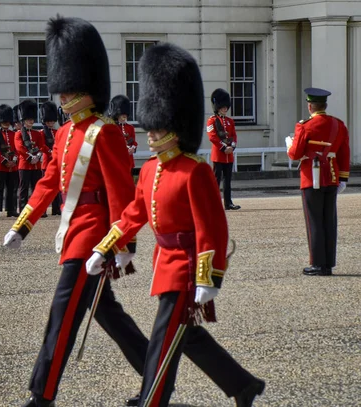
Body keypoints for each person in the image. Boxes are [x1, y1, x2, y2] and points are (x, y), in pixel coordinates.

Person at [86, 43, 265, 407]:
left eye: (157, 127)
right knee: (187, 337)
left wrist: (209, 276)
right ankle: (243, 384)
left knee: (164, 336)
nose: (148, 133)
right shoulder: (151, 168)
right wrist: (106, 248)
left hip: (186, 267)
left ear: (175, 127)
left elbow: (212, 228)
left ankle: (153, 399)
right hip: (164, 262)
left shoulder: (195, 170)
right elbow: (134, 213)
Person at [3, 16, 149, 407]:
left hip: (92, 238)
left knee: (62, 316)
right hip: (72, 233)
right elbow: (50, 182)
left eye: (67, 89)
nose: (61, 96)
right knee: (111, 317)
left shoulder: (106, 132)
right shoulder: (66, 133)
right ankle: (158, 379)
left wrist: (122, 243)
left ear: (85, 88)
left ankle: (42, 394)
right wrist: (24, 223)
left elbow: (121, 191)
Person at [286, 88, 350, 276]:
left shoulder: (305, 126)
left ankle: (317, 264)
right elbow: (344, 153)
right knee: (329, 221)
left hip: (311, 178)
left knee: (313, 221)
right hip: (331, 176)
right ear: (325, 105)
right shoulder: (338, 125)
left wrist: (290, 146)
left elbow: (296, 153)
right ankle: (328, 264)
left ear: (310, 106)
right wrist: (343, 178)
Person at [207, 88, 240, 210]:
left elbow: (234, 136)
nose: (225, 109)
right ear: (218, 107)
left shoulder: (230, 121)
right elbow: (212, 137)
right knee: (216, 181)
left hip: (229, 155)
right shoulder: (212, 121)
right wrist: (223, 148)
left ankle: (228, 203)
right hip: (219, 154)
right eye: (222, 107)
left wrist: (232, 147)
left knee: (227, 182)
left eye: (226, 107)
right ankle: (213, 203)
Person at [14, 98, 45, 212]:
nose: (31, 121)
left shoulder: (37, 133)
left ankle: (36, 208)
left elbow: (41, 146)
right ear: (23, 120)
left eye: (32, 119)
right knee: (24, 189)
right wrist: (30, 157)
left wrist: (38, 156)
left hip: (36, 164)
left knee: (36, 188)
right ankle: (23, 209)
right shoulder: (19, 134)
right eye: (28, 119)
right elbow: (19, 147)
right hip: (25, 164)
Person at [0, 104, 19, 218]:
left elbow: (17, 148)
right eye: (4, 121)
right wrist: (5, 161)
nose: (7, 123)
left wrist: (14, 161)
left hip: (13, 165)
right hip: (1, 166)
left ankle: (11, 209)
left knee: (12, 189)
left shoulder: (14, 134)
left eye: (8, 121)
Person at [39, 101, 61, 216]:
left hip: (56, 162)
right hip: (47, 162)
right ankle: (43, 210)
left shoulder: (57, 132)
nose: (51, 123)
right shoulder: (42, 132)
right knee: (46, 188)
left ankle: (56, 208)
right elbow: (42, 145)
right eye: (49, 121)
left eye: (52, 121)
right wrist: (50, 152)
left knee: (57, 188)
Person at [108, 94, 138, 169]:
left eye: (125, 116)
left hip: (128, 160)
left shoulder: (130, 128)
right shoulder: (112, 127)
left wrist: (133, 148)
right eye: (122, 116)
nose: (124, 118)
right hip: (116, 159)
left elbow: (134, 142)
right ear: (117, 115)